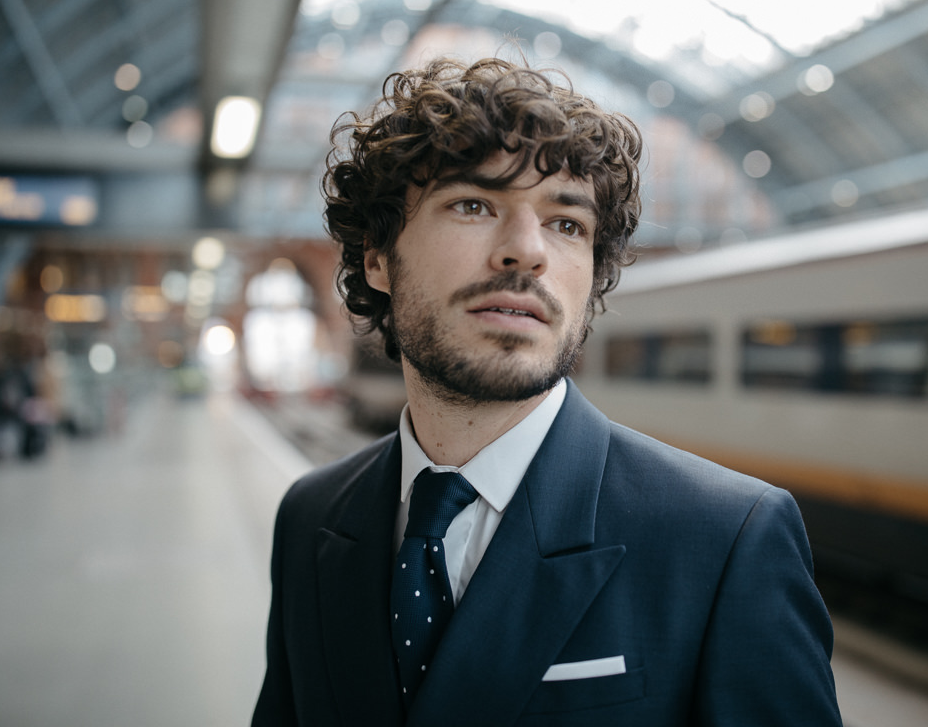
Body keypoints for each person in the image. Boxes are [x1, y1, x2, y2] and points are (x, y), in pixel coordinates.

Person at [252, 56, 842, 726]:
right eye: (473, 205)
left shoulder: (723, 539)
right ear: (377, 258)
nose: (526, 252)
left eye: (567, 224)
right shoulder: (312, 518)